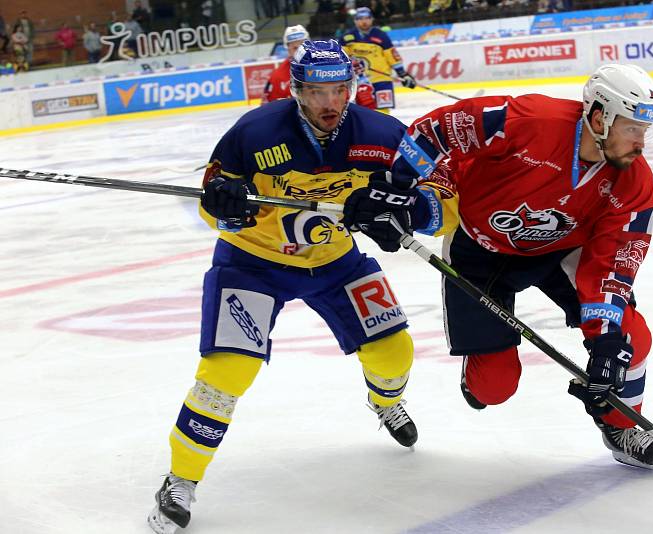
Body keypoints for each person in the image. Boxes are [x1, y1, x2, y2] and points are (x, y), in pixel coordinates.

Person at [146, 39, 452, 534]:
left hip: (336, 261)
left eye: (338, 90)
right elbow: (211, 203)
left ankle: (386, 400)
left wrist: (401, 214)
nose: (329, 103)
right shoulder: (254, 131)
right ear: (297, 91)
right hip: (253, 263)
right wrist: (224, 206)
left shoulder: (384, 134)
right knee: (226, 373)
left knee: (395, 352)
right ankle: (181, 479)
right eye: (316, 92)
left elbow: (439, 197)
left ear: (352, 87)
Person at [343, 64, 653, 473]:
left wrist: (606, 342)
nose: (641, 143)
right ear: (599, 117)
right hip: (479, 248)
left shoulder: (633, 181)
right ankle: (480, 371)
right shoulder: (529, 121)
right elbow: (438, 130)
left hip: (560, 252)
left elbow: (613, 262)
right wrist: (398, 188)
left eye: (647, 130)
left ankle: (622, 427)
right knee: (494, 388)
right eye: (633, 128)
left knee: (629, 337)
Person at [339, 7, 416, 114]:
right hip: (360, 82)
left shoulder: (381, 35)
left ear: (372, 19)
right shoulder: (346, 37)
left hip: (382, 80)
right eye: (360, 18)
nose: (364, 21)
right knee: (364, 113)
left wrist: (403, 74)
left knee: (383, 111)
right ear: (355, 20)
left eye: (367, 18)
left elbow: (392, 56)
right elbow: (341, 58)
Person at [261, 25, 308, 104]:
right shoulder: (277, 77)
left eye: (303, 46)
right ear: (288, 49)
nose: (300, 51)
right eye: (295, 48)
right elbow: (270, 109)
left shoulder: (323, 67)